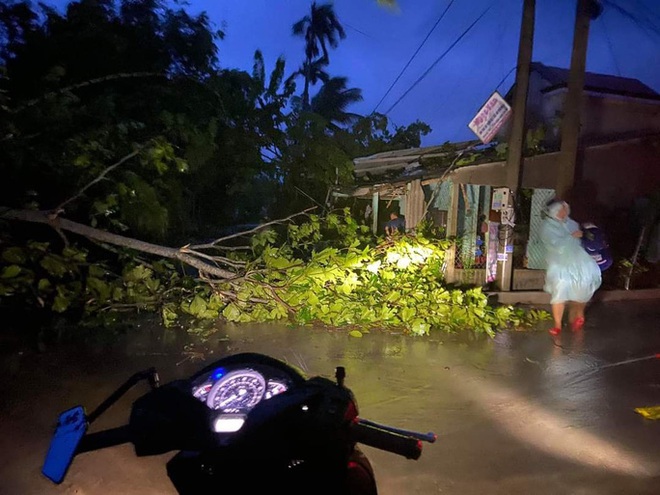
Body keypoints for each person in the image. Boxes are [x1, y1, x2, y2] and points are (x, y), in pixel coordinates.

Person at [540, 199, 602, 336]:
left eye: (564, 209)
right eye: (559, 210)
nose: (563, 213)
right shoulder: (547, 227)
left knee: (582, 288)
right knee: (559, 290)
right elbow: (554, 244)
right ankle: (557, 325)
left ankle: (578, 317)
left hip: (579, 262)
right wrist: (571, 237)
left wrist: (584, 236)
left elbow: (584, 241)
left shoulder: (572, 223)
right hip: (559, 264)